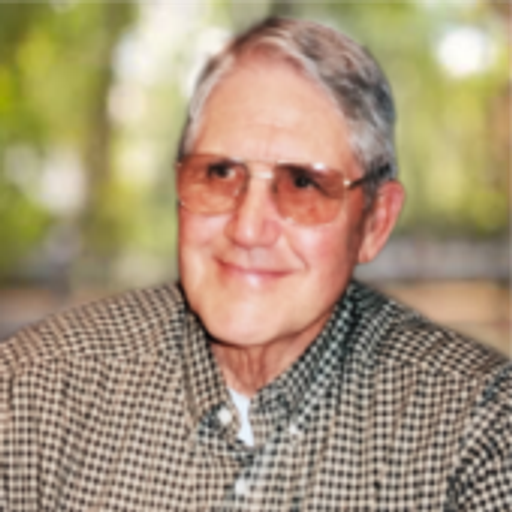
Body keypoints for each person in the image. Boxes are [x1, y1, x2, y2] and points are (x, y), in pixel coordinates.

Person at [1, 17, 511, 511]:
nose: (247, 229)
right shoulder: (30, 396)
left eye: (303, 184)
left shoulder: (475, 433)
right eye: (220, 173)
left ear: (375, 222)